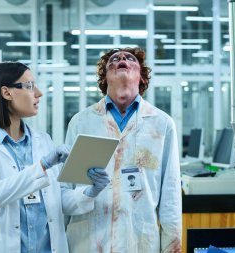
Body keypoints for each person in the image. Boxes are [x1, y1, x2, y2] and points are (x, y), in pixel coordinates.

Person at [0, 62, 107, 253]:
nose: (38, 93)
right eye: (30, 86)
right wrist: (42, 165)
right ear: (6, 93)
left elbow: (58, 198)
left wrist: (91, 191)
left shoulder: (43, 140)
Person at [63, 48, 182, 252]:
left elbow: (170, 195)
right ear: (105, 78)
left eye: (130, 58)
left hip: (138, 240)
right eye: (114, 59)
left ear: (142, 77)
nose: (122, 59)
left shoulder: (162, 124)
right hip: (89, 240)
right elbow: (65, 190)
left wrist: (172, 247)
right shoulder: (81, 122)